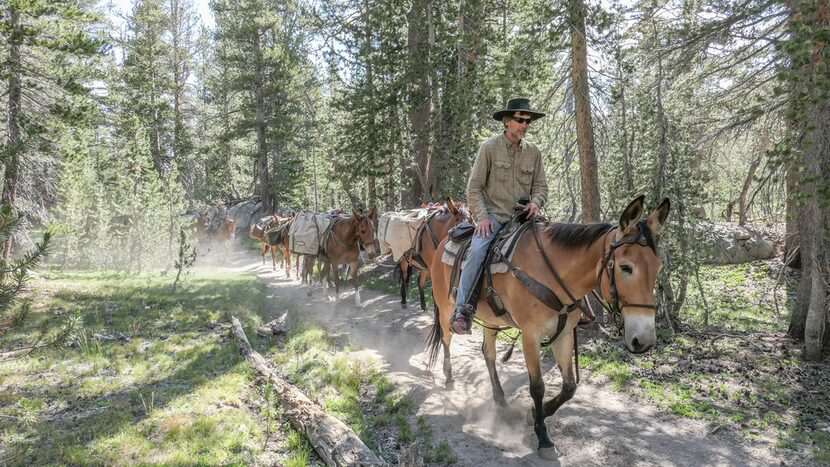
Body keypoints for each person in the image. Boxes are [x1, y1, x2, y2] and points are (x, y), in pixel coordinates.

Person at [450, 98, 549, 335]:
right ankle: (463, 310)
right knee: (477, 251)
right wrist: (482, 217)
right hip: (494, 217)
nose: (524, 125)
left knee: (554, 244)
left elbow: (541, 186)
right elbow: (474, 187)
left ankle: (566, 306)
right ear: (506, 121)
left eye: (527, 121)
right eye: (519, 120)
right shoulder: (489, 148)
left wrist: (536, 202)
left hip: (524, 219)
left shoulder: (533, 153)